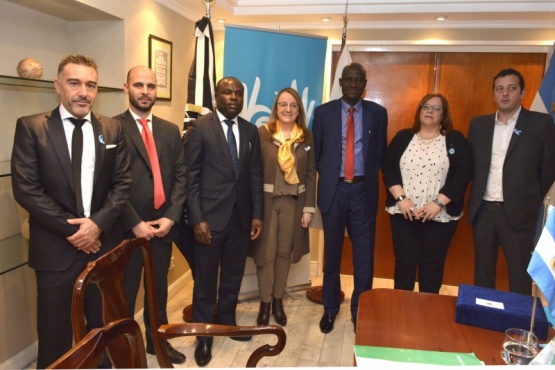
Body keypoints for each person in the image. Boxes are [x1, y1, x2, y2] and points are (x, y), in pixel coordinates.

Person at [10, 53, 131, 368]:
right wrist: (77, 231)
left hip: (101, 249)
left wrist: (97, 226)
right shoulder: (31, 128)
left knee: (101, 328)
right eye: (75, 83)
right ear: (58, 85)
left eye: (91, 85)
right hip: (55, 250)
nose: (84, 92)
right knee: (54, 333)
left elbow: (122, 185)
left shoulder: (113, 129)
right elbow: (26, 188)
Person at [184, 76, 264, 367]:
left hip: (240, 219)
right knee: (205, 281)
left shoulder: (251, 130)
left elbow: (255, 176)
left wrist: (257, 214)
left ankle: (227, 322)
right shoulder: (199, 128)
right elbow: (190, 178)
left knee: (232, 275)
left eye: (238, 93)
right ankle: (204, 335)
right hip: (208, 220)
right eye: (227, 92)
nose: (233, 97)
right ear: (217, 96)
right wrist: (197, 219)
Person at [114, 66, 186, 364]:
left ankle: (157, 342)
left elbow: (181, 176)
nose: (145, 91)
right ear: (126, 88)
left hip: (162, 227)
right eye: (139, 85)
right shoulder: (112, 128)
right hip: (127, 228)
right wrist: (134, 223)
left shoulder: (170, 130)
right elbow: (110, 182)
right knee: (126, 293)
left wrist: (171, 216)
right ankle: (125, 347)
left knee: (158, 291)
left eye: (151, 86)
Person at [312, 62, 388, 334]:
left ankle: (361, 311)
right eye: (349, 79)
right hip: (334, 192)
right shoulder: (323, 113)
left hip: (362, 192)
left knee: (364, 258)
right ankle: (330, 309)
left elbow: (379, 153)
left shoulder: (378, 114)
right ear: (341, 82)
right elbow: (317, 155)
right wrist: (336, 178)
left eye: (359, 80)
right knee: (331, 256)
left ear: (364, 84)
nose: (353, 84)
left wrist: (357, 177)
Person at [467, 68, 555, 295]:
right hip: (483, 210)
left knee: (518, 273)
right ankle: (484, 319)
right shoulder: (479, 125)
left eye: (511, 88)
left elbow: (548, 169)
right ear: (493, 94)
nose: (505, 94)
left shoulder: (540, 123)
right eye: (499, 89)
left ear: (522, 92)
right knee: (483, 271)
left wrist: (526, 196)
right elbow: (472, 166)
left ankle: (520, 323)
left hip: (518, 213)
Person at [383, 93, 473, 294]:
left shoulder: (455, 139)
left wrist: (438, 203)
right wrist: (401, 199)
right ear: (419, 111)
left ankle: (427, 315)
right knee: (405, 264)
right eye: (426, 106)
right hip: (404, 213)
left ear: (443, 114)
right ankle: (401, 311)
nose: (430, 111)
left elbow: (463, 173)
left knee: (432, 266)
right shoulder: (403, 137)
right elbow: (388, 168)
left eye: (436, 108)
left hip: (439, 215)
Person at [252, 88, 316, 327]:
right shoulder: (263, 134)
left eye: (293, 105)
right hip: (267, 204)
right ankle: (265, 302)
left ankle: (278, 300)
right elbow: (253, 173)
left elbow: (310, 175)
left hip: (294, 204)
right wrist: (253, 209)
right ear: (276, 108)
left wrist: (309, 208)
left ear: (299, 110)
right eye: (283, 105)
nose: (288, 109)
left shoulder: (306, 138)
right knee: (265, 256)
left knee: (283, 254)